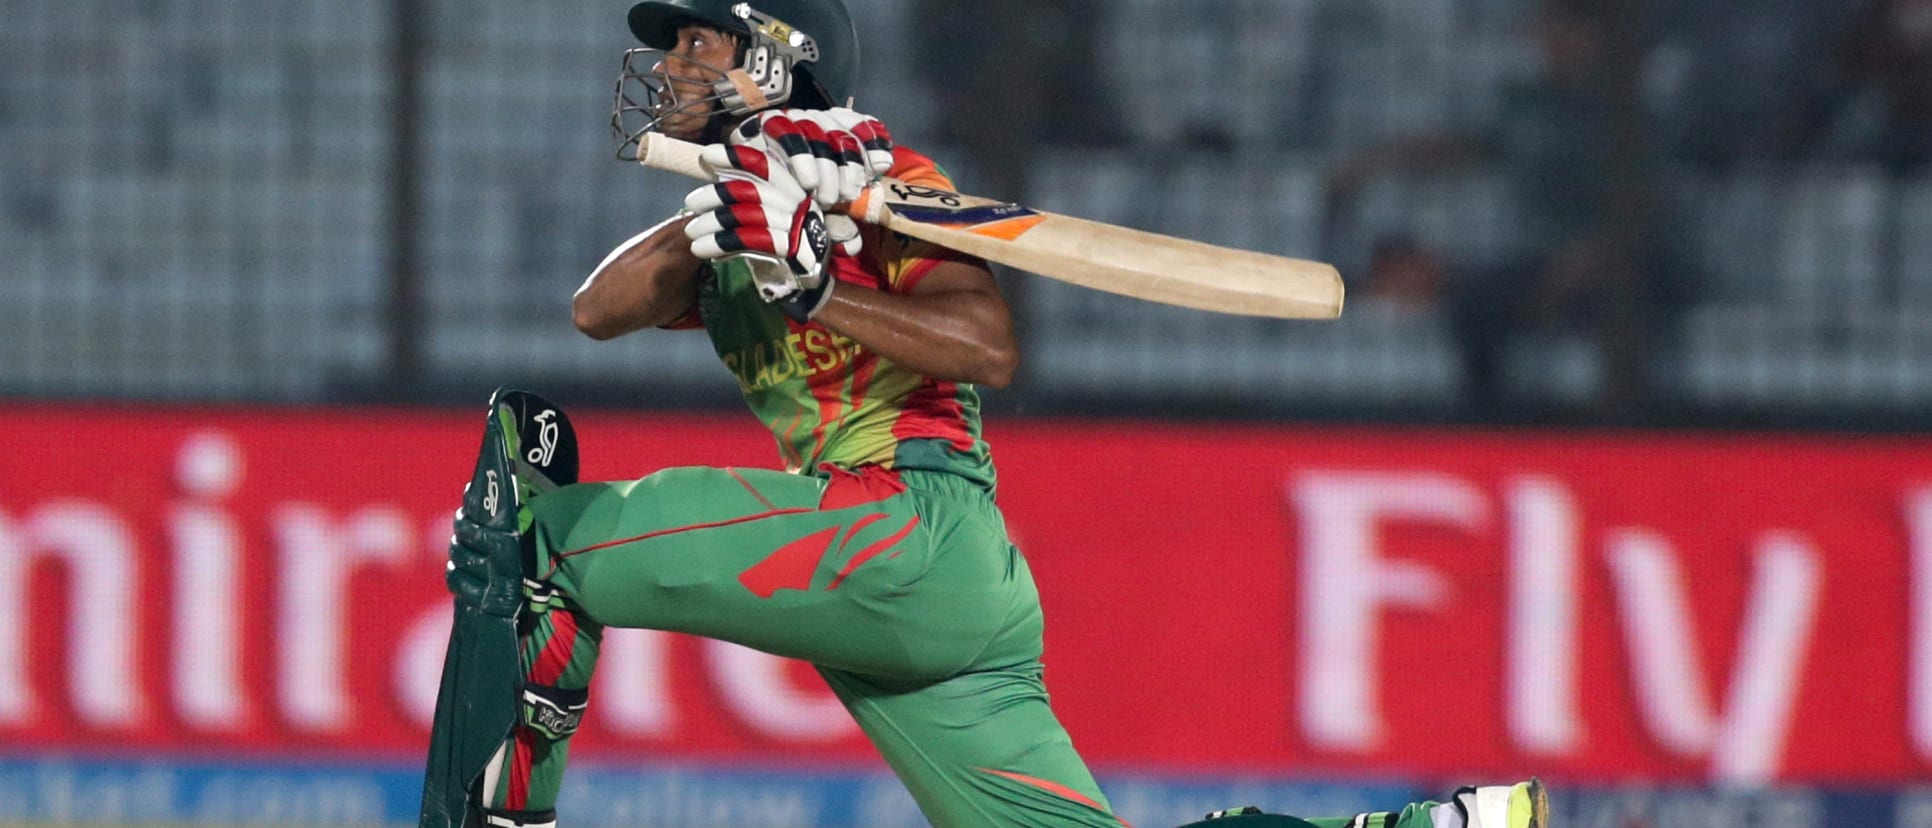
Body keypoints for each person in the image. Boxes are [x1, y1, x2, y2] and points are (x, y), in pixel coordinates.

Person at [419, 2, 1552, 827]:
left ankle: (513, 809)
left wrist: (827, 277)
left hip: (909, 524)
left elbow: (990, 348)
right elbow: (593, 312)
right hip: (944, 595)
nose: (668, 62)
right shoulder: (738, 214)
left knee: (555, 540)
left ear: (778, 58)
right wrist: (732, 193)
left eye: (698, 40)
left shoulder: (884, 184)